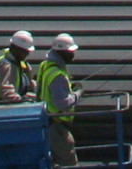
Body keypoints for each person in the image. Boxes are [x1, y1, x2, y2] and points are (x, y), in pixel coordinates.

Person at [39, 34, 84, 165]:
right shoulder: (58, 74)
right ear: (62, 53)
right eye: (71, 51)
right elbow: (62, 103)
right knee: (68, 162)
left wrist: (68, 88)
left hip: (47, 122)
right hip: (57, 126)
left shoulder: (46, 66)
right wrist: (78, 94)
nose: (73, 54)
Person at [0, 29, 40, 104]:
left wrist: (36, 94)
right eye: (25, 52)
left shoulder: (22, 64)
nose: (27, 54)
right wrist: (22, 100)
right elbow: (7, 93)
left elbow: (31, 82)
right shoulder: (6, 65)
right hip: (3, 106)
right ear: (16, 49)